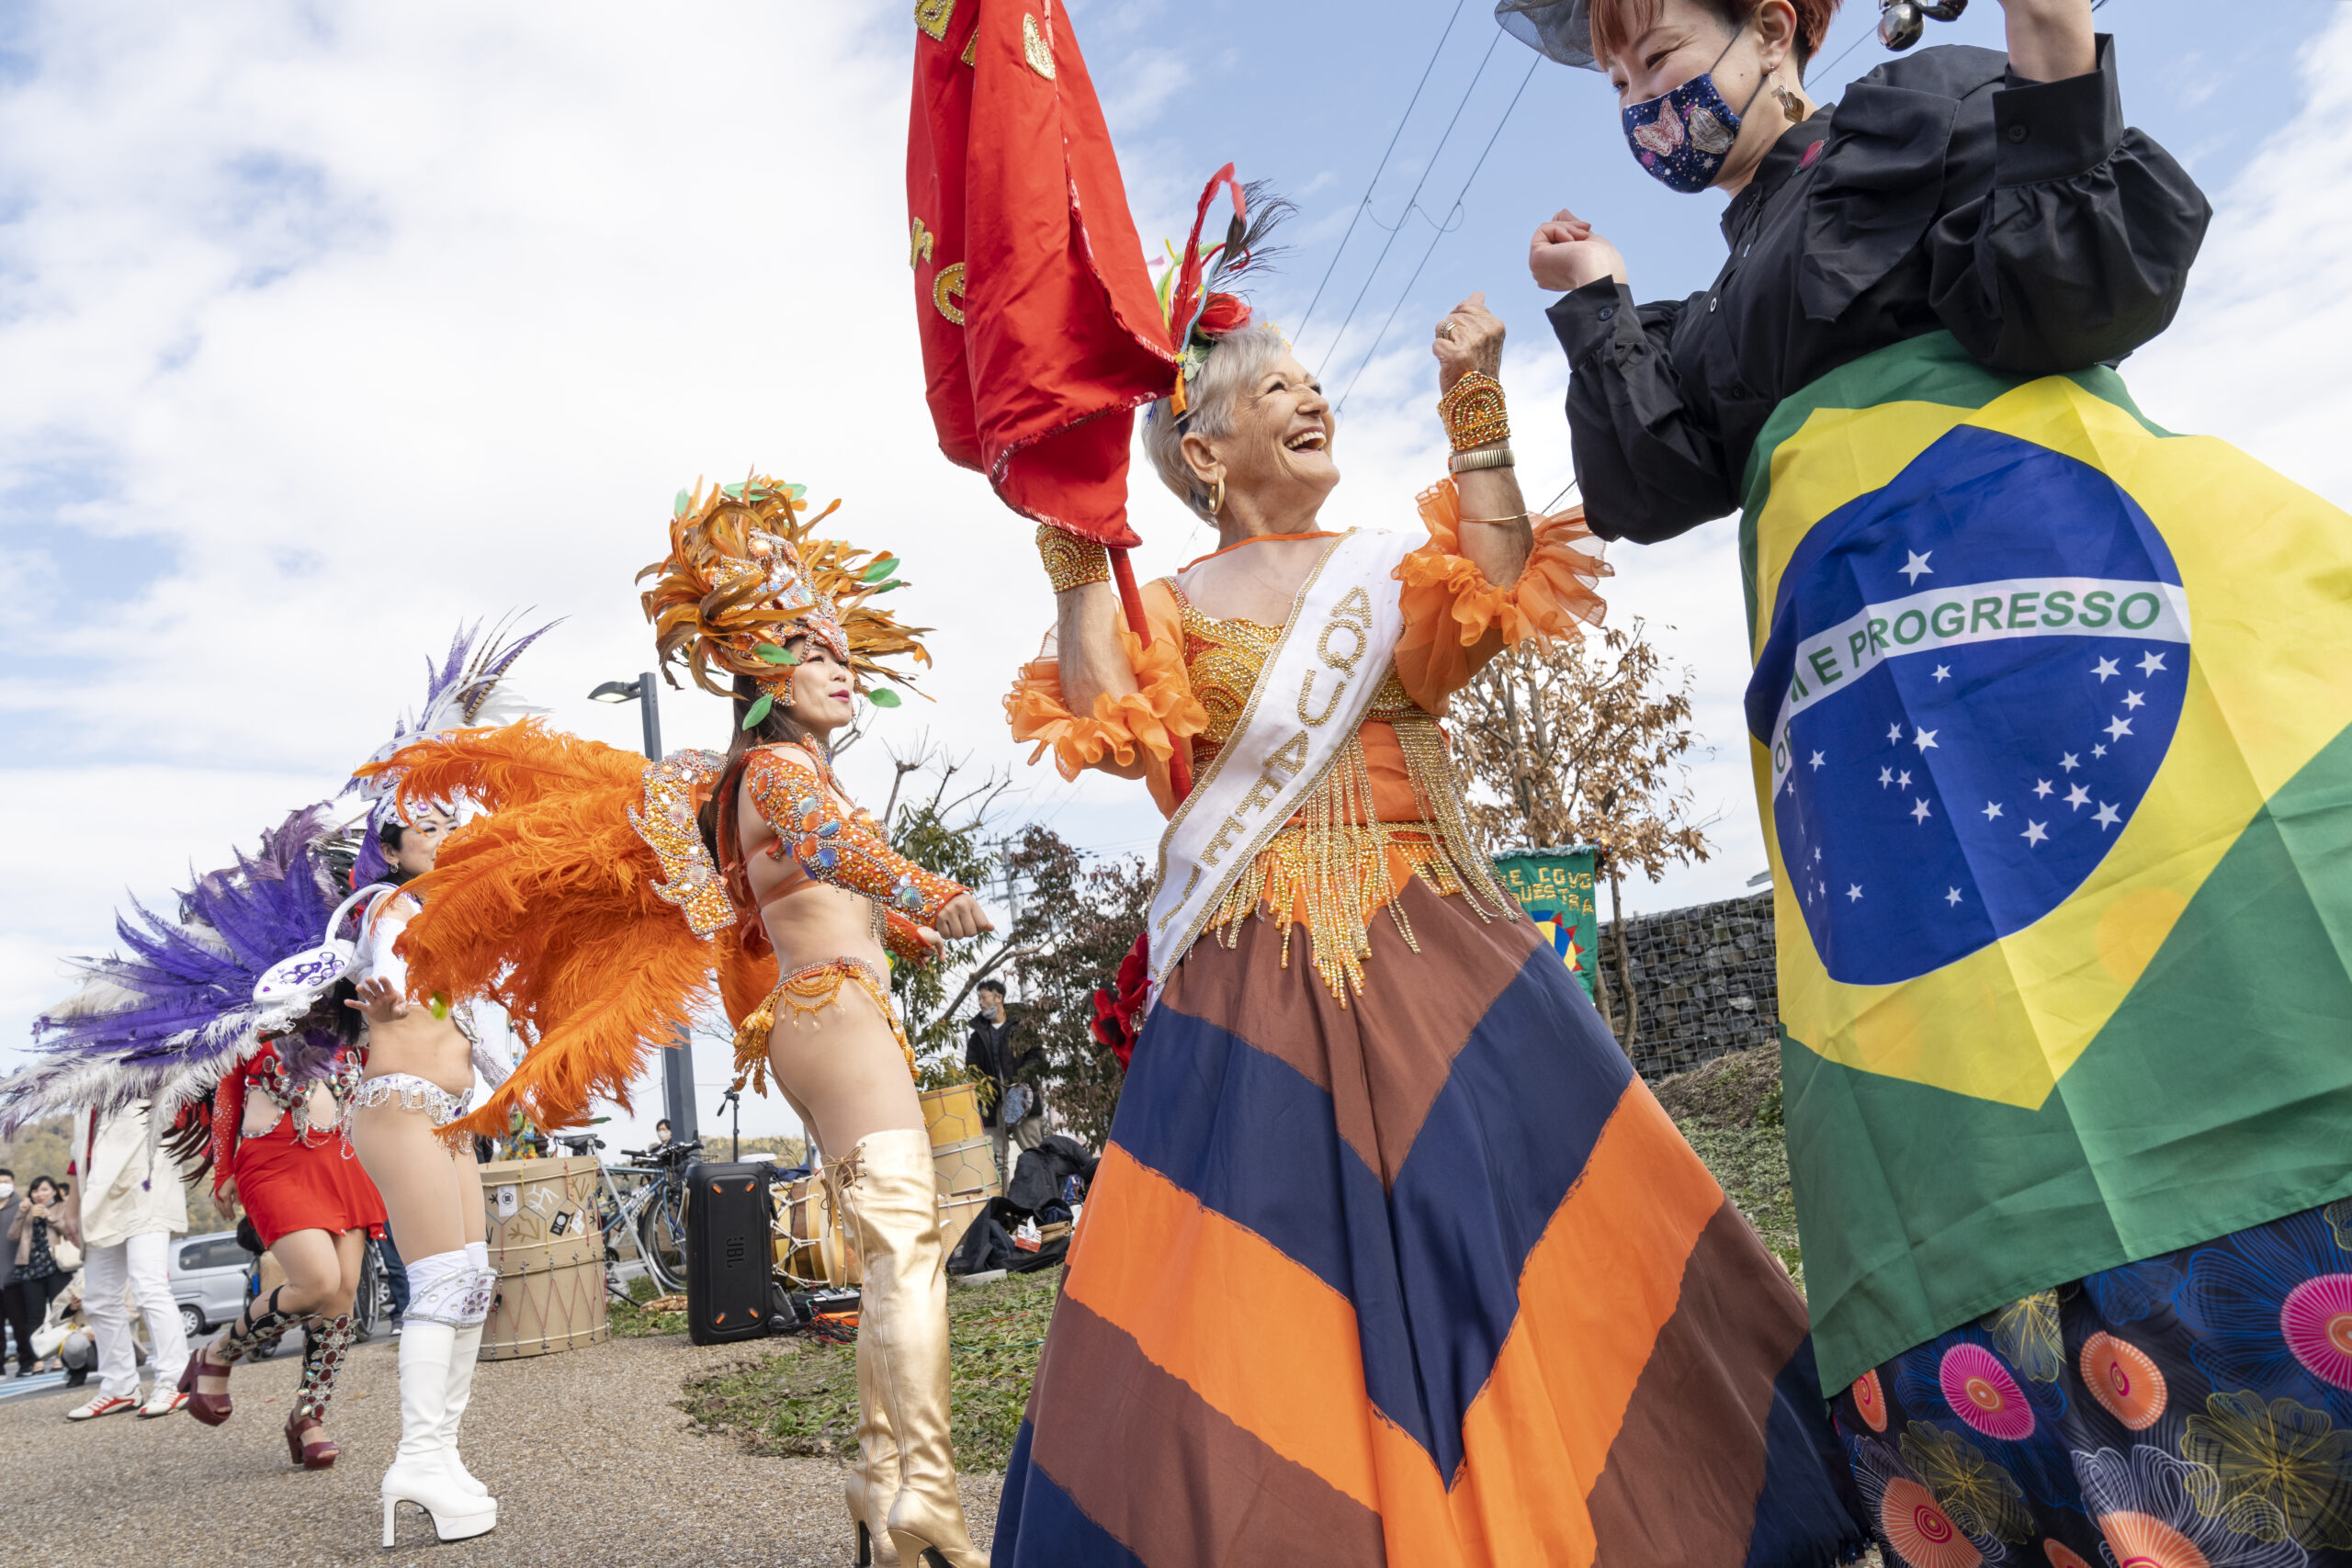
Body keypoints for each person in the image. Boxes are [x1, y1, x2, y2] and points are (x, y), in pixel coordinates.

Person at [1505, 0, 2352, 1560]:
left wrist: (2051, 48)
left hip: (2056, 638)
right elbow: (1643, 478)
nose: (1641, 97)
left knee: (2209, 959)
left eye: (1658, 51)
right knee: (1948, 1071)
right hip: (1866, 739)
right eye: (1616, 78)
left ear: (1774, 28)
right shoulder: (1711, 313)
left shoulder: (1918, 118)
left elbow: (2076, 289)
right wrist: (1599, 304)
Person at [990, 186, 1868, 1565]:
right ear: (1203, 448)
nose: (1312, 395)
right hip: (1248, 973)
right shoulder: (1161, 605)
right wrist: (1069, 522)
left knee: (1516, 1225)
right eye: (1277, 385)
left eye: (1317, 379)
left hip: (1431, 936)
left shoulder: (1387, 569)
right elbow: (1110, 716)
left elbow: (1500, 588)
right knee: (1253, 1270)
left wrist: (1477, 408)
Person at [371, 477, 994, 1568]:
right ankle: (921, 1497)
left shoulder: (788, 777)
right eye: (808, 646)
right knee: (907, 1245)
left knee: (900, 1253)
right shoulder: (777, 769)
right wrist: (928, 889)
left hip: (832, 1013)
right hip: (832, 1019)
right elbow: (831, 847)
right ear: (758, 664)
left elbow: (816, 885)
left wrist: (903, 925)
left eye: (844, 648)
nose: (838, 666)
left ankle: (885, 1485)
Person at [339, 621, 548, 1546]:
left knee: (469, 1280)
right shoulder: (390, 912)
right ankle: (416, 1462)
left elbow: (477, 1030)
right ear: (391, 840)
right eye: (420, 823)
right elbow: (383, 972)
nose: (437, 831)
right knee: (439, 1282)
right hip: (399, 1109)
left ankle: (439, 1455)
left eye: (444, 820)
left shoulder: (447, 922)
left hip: (448, 1114)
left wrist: (531, 1082)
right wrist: (380, 999)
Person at [59, 1100, 192, 1420]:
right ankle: (119, 1387)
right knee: (99, 1297)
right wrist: (73, 1204)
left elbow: (186, 1113)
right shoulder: (89, 1075)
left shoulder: (153, 1058)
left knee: (149, 1285)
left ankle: (177, 1380)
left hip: (146, 1181)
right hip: (99, 1190)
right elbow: (82, 1148)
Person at [963, 981, 1042, 1186]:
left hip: (1023, 1098)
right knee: (997, 1158)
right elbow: (971, 1067)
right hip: (992, 1103)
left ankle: (1046, 1198)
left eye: (984, 997)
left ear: (999, 998)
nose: (980, 1002)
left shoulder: (1022, 1027)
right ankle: (1003, 1205)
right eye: (979, 998)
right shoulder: (977, 1037)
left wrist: (1020, 1083)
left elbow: (1036, 1057)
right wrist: (986, 1086)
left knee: (1035, 1151)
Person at [7, 1177, 73, 1371]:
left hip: (57, 1267)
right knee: (34, 1316)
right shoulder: (26, 1210)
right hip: (31, 1269)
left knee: (59, 1312)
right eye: (35, 1191)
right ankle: (37, 1358)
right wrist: (21, 1214)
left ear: (54, 1191)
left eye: (44, 1190)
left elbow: (68, 1230)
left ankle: (62, 1355)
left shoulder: (62, 1207)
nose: (40, 1194)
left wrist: (48, 1217)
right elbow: (12, 1235)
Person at [0, 1167, 24, 1376]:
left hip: (15, 1278)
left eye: (5, 1181)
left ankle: (27, 1362)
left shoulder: (22, 1207)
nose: (2, 1186)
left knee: (20, 1323)